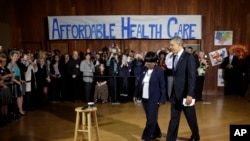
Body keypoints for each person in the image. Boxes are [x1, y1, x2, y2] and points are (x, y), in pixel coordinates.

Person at [166, 36, 200, 141]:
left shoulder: (189, 57)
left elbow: (192, 77)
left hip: (186, 95)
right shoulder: (174, 57)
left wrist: (190, 94)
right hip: (175, 94)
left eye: (172, 45)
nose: (170, 47)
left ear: (179, 44)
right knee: (174, 118)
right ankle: (170, 139)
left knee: (191, 118)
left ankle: (195, 136)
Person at [133, 51, 166, 141]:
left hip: (154, 99)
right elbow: (139, 83)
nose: (146, 64)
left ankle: (146, 137)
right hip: (145, 98)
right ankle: (157, 132)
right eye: (146, 62)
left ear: (155, 62)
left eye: (149, 63)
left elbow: (162, 86)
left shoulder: (159, 71)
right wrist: (136, 94)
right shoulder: (144, 69)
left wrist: (162, 99)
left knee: (151, 120)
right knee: (151, 117)